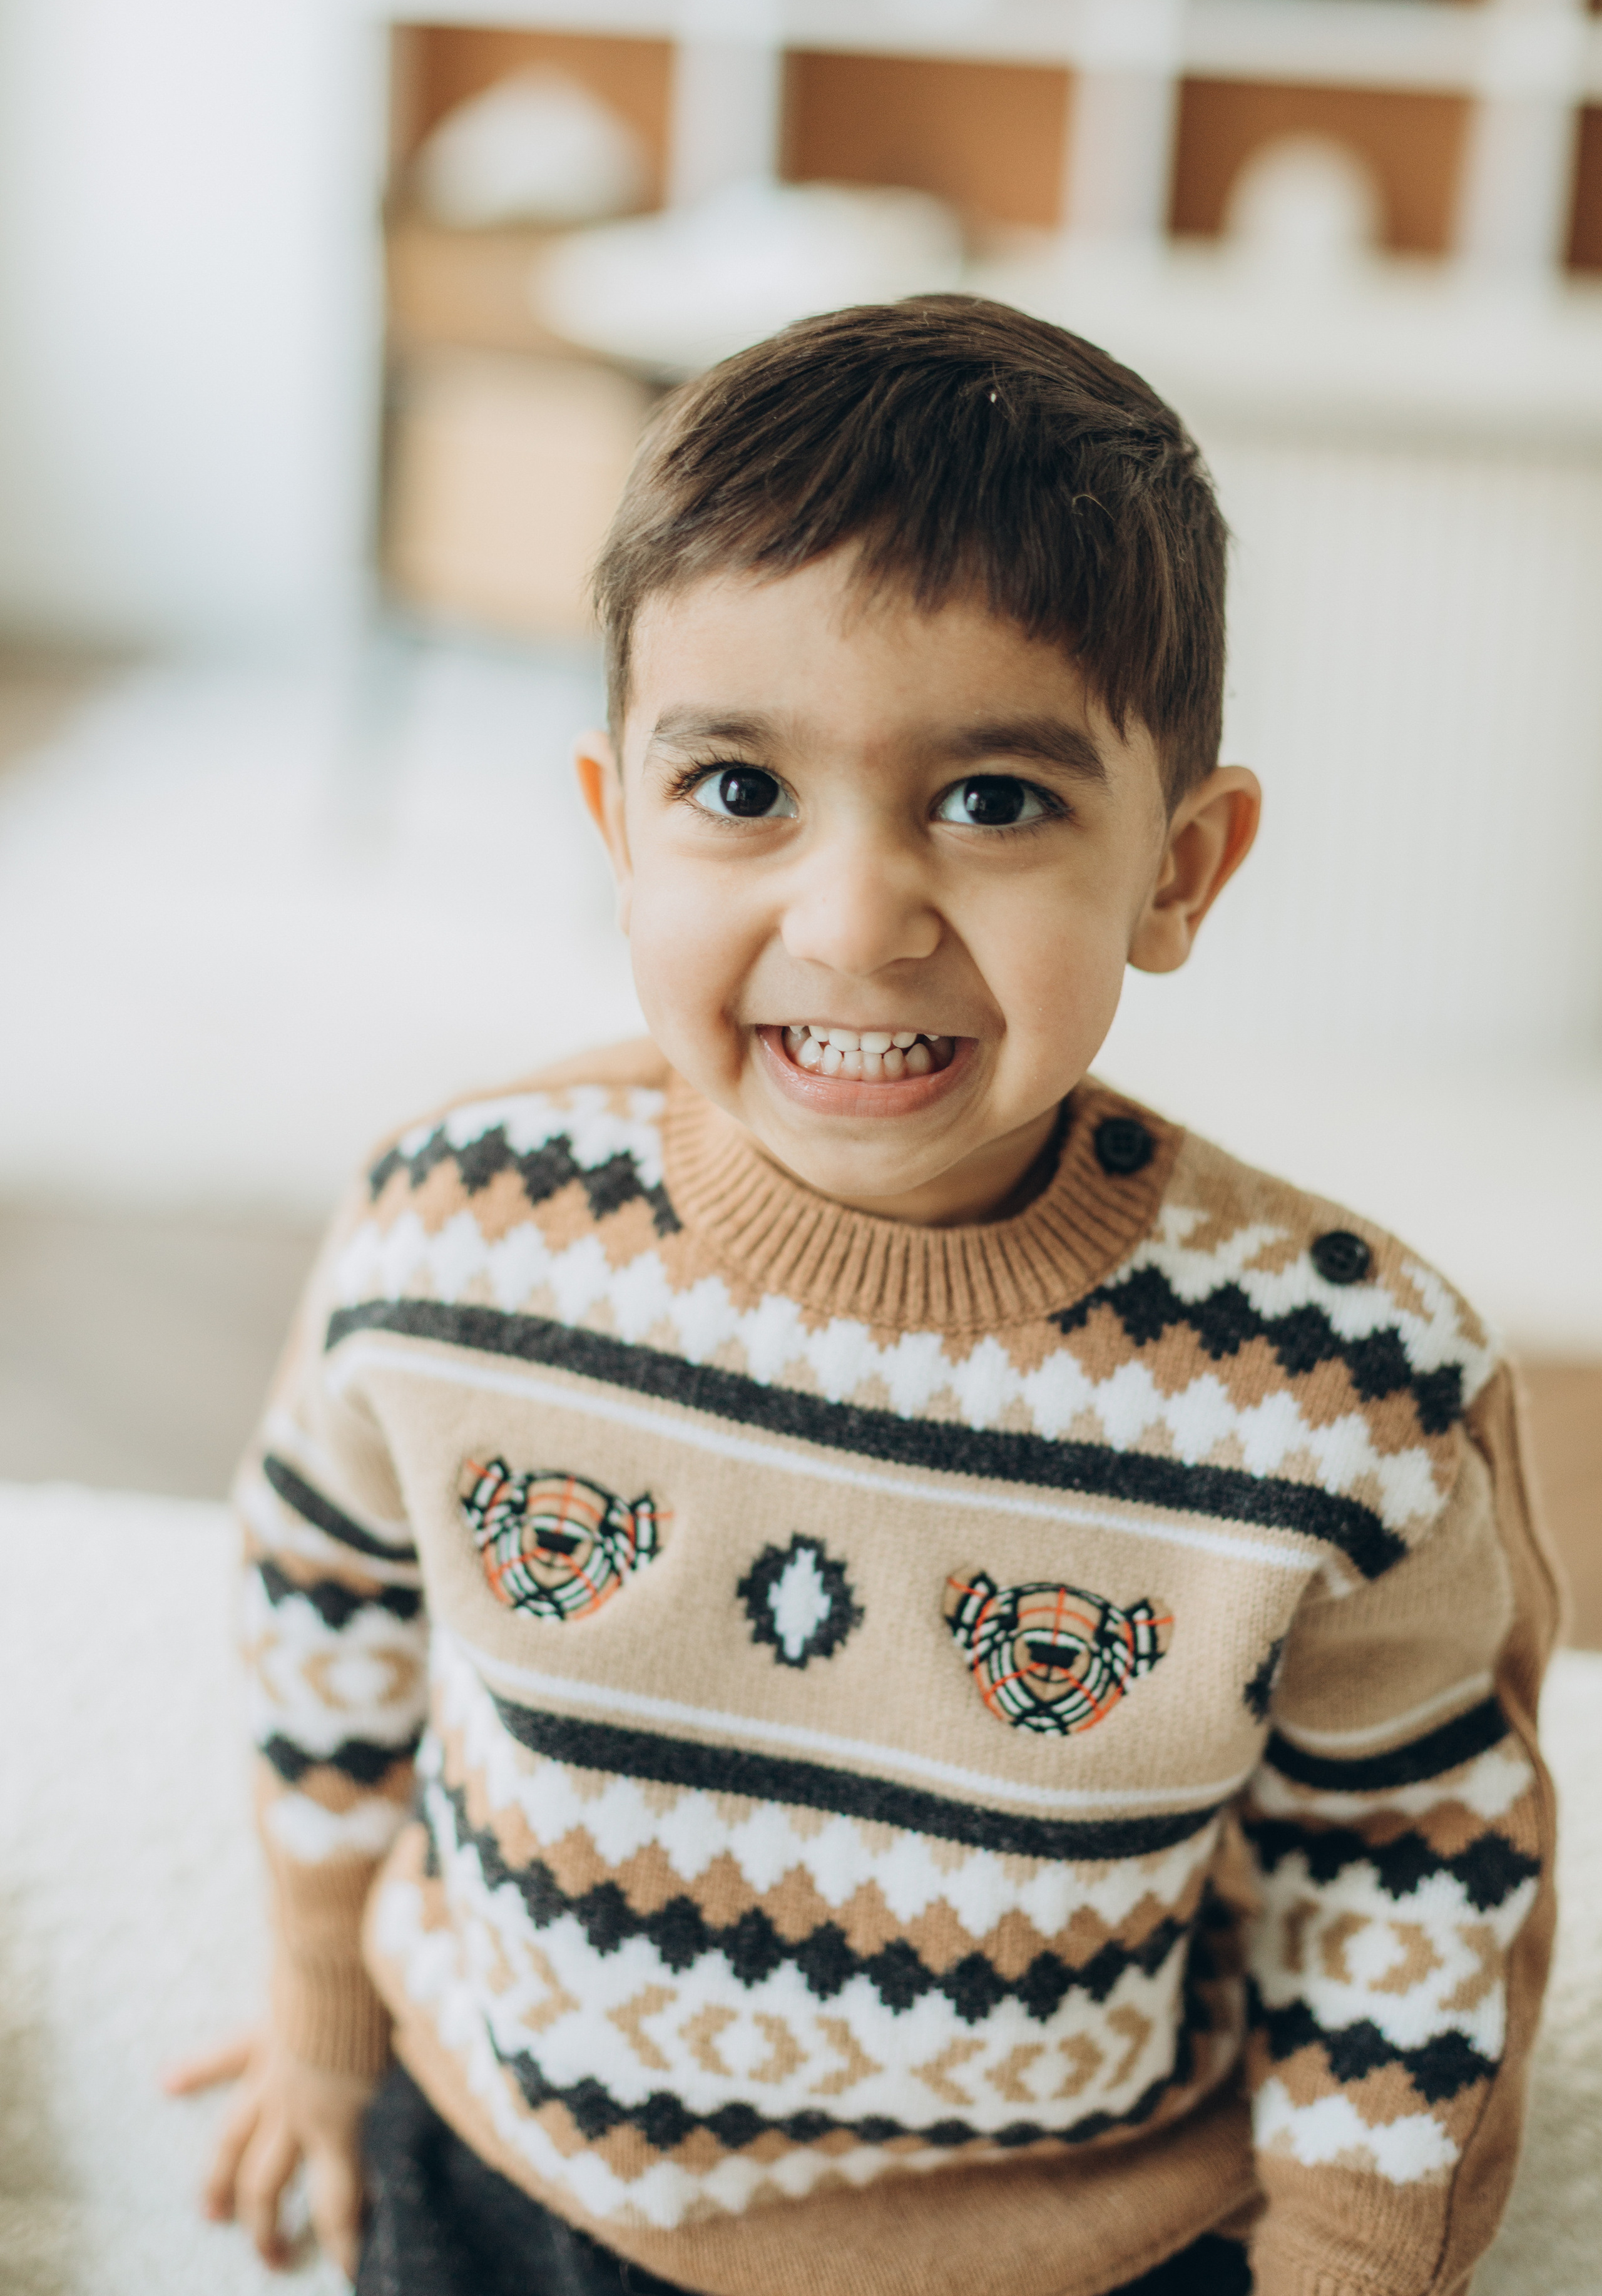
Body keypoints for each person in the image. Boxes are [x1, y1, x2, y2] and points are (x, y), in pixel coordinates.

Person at [169, 295, 1558, 2296]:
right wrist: (321, 2014)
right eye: (738, 789)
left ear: (1182, 865)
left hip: (1071, 2234)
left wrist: (1350, 2257)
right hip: (518, 2177)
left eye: (993, 802)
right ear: (616, 828)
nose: (852, 922)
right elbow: (325, 1607)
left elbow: (1413, 1864)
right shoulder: (449, 1239)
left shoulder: (1344, 1388)